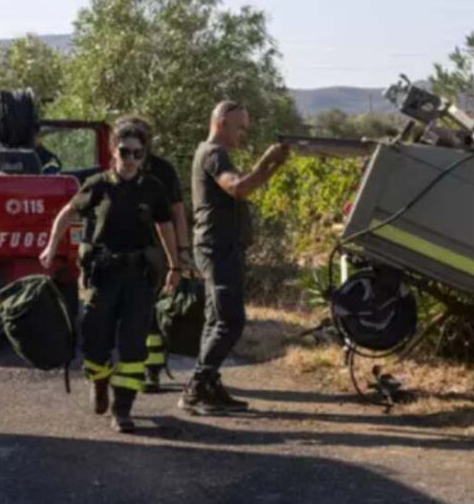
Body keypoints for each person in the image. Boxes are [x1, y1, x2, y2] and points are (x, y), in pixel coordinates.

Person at [40, 122, 180, 433]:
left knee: (133, 346)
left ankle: (123, 408)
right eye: (124, 151)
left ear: (144, 155)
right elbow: (67, 213)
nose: (130, 158)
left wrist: (175, 265)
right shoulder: (98, 186)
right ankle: (99, 382)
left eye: (137, 153)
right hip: (103, 277)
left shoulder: (152, 188)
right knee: (95, 340)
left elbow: (165, 226)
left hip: (138, 278)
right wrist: (51, 246)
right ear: (113, 151)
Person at [179, 100, 289, 415]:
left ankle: (209, 384)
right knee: (230, 321)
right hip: (218, 248)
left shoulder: (213, 153)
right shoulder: (214, 154)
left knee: (216, 319)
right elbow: (238, 188)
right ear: (222, 121)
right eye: (240, 127)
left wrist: (272, 166)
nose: (242, 134)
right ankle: (197, 388)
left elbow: (243, 188)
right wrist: (267, 161)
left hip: (222, 248)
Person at [112, 116, 191, 393]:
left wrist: (181, 253)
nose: (131, 153)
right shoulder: (115, 168)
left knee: (153, 312)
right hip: (123, 252)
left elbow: (177, 213)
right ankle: (134, 367)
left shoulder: (162, 170)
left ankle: (152, 370)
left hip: (156, 252)